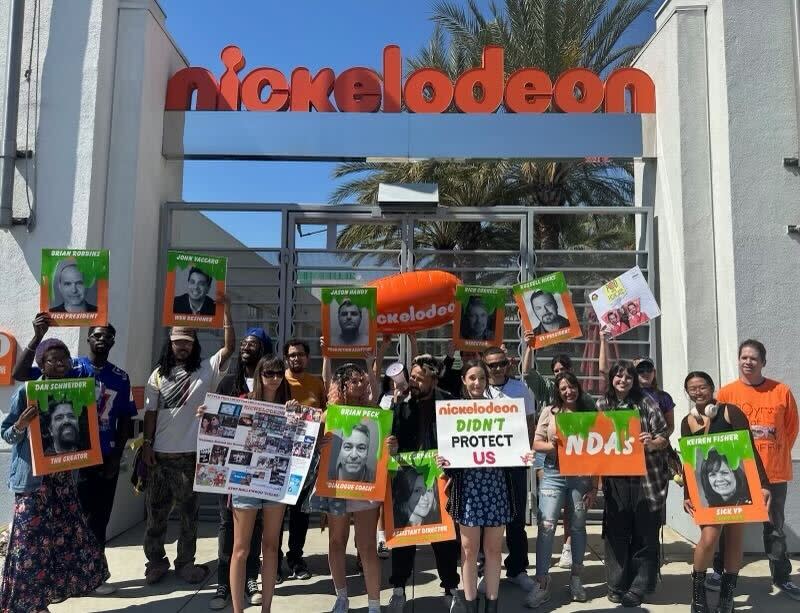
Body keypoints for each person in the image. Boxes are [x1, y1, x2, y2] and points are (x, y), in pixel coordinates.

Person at [12, 315, 136, 596]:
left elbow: (126, 420)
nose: (101, 339)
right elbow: (20, 374)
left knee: (99, 519)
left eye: (107, 335)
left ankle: (94, 577)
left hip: (104, 457)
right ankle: (67, 579)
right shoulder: (70, 366)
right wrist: (37, 337)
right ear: (89, 339)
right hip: (69, 461)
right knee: (71, 521)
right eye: (96, 334)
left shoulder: (121, 377)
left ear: (113, 341)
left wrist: (116, 457)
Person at [1, 339, 109, 611]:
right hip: (33, 482)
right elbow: (6, 433)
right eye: (53, 359)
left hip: (62, 483)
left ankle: (46, 599)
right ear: (41, 364)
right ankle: (25, 605)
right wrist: (21, 424)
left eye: (64, 358)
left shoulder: (76, 391)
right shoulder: (28, 391)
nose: (60, 364)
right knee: (29, 545)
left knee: (62, 543)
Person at [142, 298, 234, 586]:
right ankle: (155, 562)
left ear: (195, 344)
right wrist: (146, 444)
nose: (182, 347)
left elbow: (230, 347)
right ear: (170, 344)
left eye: (187, 342)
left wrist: (226, 310)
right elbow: (150, 412)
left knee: (188, 516)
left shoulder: (207, 370)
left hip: (192, 456)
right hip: (159, 456)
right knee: (155, 515)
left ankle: (185, 563)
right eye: (177, 342)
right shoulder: (157, 375)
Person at [201, 355, 297, 613]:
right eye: (269, 373)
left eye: (279, 373)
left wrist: (300, 419)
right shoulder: (244, 402)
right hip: (244, 482)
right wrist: (207, 415)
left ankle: (266, 608)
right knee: (240, 548)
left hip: (275, 483)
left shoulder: (289, 407)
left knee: (270, 545)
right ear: (260, 376)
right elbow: (218, 425)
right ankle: (237, 610)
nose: (275, 378)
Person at [707, 340, 800, 600]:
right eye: (744, 357)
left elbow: (791, 429)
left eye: (754, 358)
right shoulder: (727, 393)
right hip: (736, 472)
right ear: (738, 360)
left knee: (774, 528)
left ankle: (782, 577)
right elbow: (718, 432)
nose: (748, 362)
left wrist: (773, 453)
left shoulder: (781, 391)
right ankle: (720, 572)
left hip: (774, 473)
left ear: (763, 362)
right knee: (728, 524)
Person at [440, 359, 533, 613]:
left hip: (495, 487)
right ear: (464, 381)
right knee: (469, 550)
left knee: (493, 550)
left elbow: (514, 446)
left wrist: (524, 455)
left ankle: (492, 606)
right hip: (468, 488)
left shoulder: (501, 410)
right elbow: (450, 457)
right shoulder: (453, 412)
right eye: (472, 378)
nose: (477, 383)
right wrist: (444, 460)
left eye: (481, 378)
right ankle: (471, 605)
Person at [681, 371, 770, 613]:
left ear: (712, 388)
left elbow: (748, 448)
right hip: (708, 492)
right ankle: (698, 595)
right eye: (692, 388)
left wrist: (762, 484)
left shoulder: (730, 411)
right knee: (709, 537)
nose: (698, 392)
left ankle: (727, 597)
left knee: (733, 539)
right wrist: (687, 494)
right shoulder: (686, 422)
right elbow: (688, 462)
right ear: (687, 393)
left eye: (702, 387)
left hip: (738, 487)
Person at [385, 354, 460, 612]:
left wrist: (450, 464)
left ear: (433, 378)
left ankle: (450, 588)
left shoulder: (449, 403)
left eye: (419, 378)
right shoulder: (402, 405)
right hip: (408, 479)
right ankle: (398, 589)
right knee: (405, 536)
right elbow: (390, 441)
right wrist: (391, 444)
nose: (413, 382)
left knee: (446, 539)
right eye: (412, 377)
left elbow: (459, 440)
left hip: (440, 479)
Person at [307, 359, 382, 613]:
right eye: (353, 380)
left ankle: (374, 604)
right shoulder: (331, 413)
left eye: (362, 380)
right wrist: (319, 445)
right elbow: (310, 441)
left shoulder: (374, 412)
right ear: (342, 384)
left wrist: (389, 445)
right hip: (336, 486)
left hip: (365, 488)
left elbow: (382, 448)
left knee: (367, 545)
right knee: (337, 541)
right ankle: (341, 597)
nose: (360, 384)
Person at [521, 337, 597, 571]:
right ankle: (543, 578)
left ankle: (569, 548)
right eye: (556, 372)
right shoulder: (548, 399)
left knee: (574, 519)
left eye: (564, 371)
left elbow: (598, 441)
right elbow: (526, 373)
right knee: (550, 515)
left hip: (579, 469)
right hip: (551, 464)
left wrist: (595, 482)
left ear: (573, 374)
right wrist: (530, 345)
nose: (560, 376)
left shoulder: (586, 403)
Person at [209, 328, 273, 610]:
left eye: (253, 344)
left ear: (264, 350)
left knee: (257, 527)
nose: (246, 347)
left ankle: (251, 578)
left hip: (262, 473)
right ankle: (224, 581)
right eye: (244, 343)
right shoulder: (227, 383)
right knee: (227, 526)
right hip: (232, 470)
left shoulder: (269, 384)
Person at [598, 361, 670, 607]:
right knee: (616, 535)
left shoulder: (646, 403)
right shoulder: (601, 405)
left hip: (645, 480)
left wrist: (651, 441)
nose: (623, 380)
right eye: (618, 376)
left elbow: (664, 436)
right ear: (611, 379)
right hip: (615, 481)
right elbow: (590, 441)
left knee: (645, 534)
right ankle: (616, 585)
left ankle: (639, 586)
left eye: (628, 377)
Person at [526, 372, 598, 607]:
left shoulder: (590, 414)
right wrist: (553, 445)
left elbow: (600, 450)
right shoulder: (549, 411)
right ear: (558, 391)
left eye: (572, 386)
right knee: (546, 525)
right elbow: (536, 443)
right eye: (564, 388)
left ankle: (576, 578)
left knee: (577, 526)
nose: (569, 391)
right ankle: (542, 582)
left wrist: (595, 485)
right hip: (553, 473)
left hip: (581, 476)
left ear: (579, 388)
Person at [482, 347, 537, 594]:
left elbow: (530, 423)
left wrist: (526, 452)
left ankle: (517, 569)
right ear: (485, 367)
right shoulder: (477, 389)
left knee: (516, 518)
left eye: (501, 363)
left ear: (508, 364)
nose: (497, 368)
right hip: (484, 463)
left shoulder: (519, 389)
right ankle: (485, 570)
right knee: (485, 518)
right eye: (492, 365)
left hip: (513, 461)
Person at [280, 338, 326, 581]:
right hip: (279, 459)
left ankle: (296, 559)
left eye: (300, 354)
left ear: (307, 358)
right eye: (291, 355)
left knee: (300, 515)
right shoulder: (278, 380)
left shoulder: (316, 383)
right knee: (275, 515)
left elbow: (328, 413)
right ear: (286, 358)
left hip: (306, 461)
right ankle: (274, 563)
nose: (295, 358)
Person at [633, 357, 675, 436]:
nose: (645, 373)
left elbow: (670, 426)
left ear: (654, 372)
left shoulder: (664, 397)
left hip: (658, 444)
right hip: (633, 443)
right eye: (640, 370)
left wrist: (659, 439)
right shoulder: (628, 395)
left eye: (649, 369)